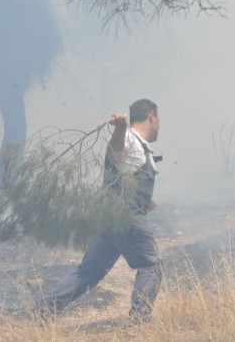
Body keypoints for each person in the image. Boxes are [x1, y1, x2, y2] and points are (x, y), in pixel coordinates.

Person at [33, 98, 162, 324]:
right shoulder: (130, 138)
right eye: (158, 120)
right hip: (126, 217)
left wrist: (146, 198)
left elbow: (122, 174)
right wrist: (120, 128)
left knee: (89, 271)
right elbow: (113, 156)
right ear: (152, 116)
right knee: (150, 265)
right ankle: (139, 322)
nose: (159, 125)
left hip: (111, 218)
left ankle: (45, 309)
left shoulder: (140, 146)